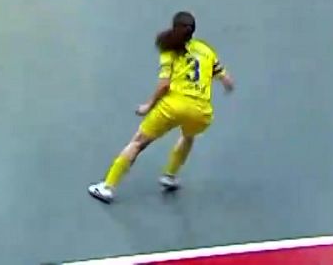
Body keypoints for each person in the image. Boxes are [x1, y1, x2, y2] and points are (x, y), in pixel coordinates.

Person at [88, 12, 234, 204]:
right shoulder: (206, 50)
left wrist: (148, 105)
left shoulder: (169, 50)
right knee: (188, 136)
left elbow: (164, 85)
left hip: (173, 106)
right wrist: (227, 84)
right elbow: (225, 78)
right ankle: (170, 176)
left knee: (138, 143)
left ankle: (107, 187)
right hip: (201, 110)